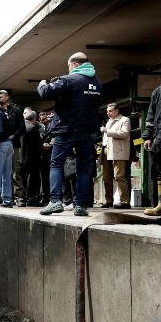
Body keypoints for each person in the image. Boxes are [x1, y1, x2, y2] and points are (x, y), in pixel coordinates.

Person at [37, 52, 102, 217]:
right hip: (88, 131)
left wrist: (42, 84)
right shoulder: (97, 82)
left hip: (67, 130)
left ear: (75, 64)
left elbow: (46, 93)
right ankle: (80, 205)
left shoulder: (70, 79)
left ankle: (55, 201)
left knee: (56, 163)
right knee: (83, 169)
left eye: (69, 66)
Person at [99, 103, 131, 208]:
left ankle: (125, 202)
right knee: (106, 177)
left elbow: (124, 134)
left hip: (119, 152)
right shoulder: (108, 121)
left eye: (110, 111)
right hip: (106, 151)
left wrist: (107, 131)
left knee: (119, 177)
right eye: (107, 111)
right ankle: (108, 201)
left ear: (117, 110)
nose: (108, 113)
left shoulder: (125, 120)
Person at [142, 83, 161, 216]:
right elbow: (151, 116)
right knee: (159, 172)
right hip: (160, 138)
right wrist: (148, 136)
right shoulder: (158, 91)